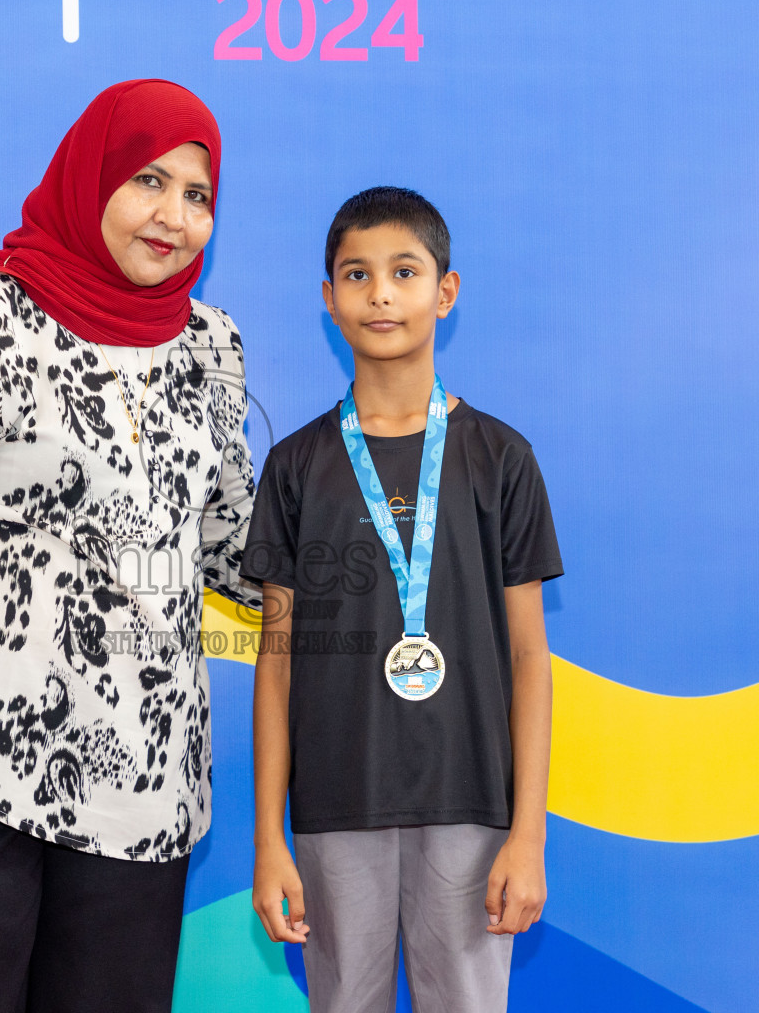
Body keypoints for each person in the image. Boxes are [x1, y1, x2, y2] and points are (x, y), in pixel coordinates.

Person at [0, 79, 260, 1013]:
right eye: (149, 180)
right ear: (90, 176)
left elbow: (235, 544)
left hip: (145, 788)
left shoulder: (210, 347)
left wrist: (376, 563)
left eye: (198, 196)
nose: (175, 216)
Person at [243, 186, 563, 1012]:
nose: (380, 293)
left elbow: (530, 658)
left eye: (404, 271)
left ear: (444, 293)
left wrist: (527, 834)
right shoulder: (294, 467)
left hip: (471, 806)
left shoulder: (501, 459)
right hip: (333, 804)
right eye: (357, 274)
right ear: (329, 299)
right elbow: (274, 668)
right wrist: (267, 840)